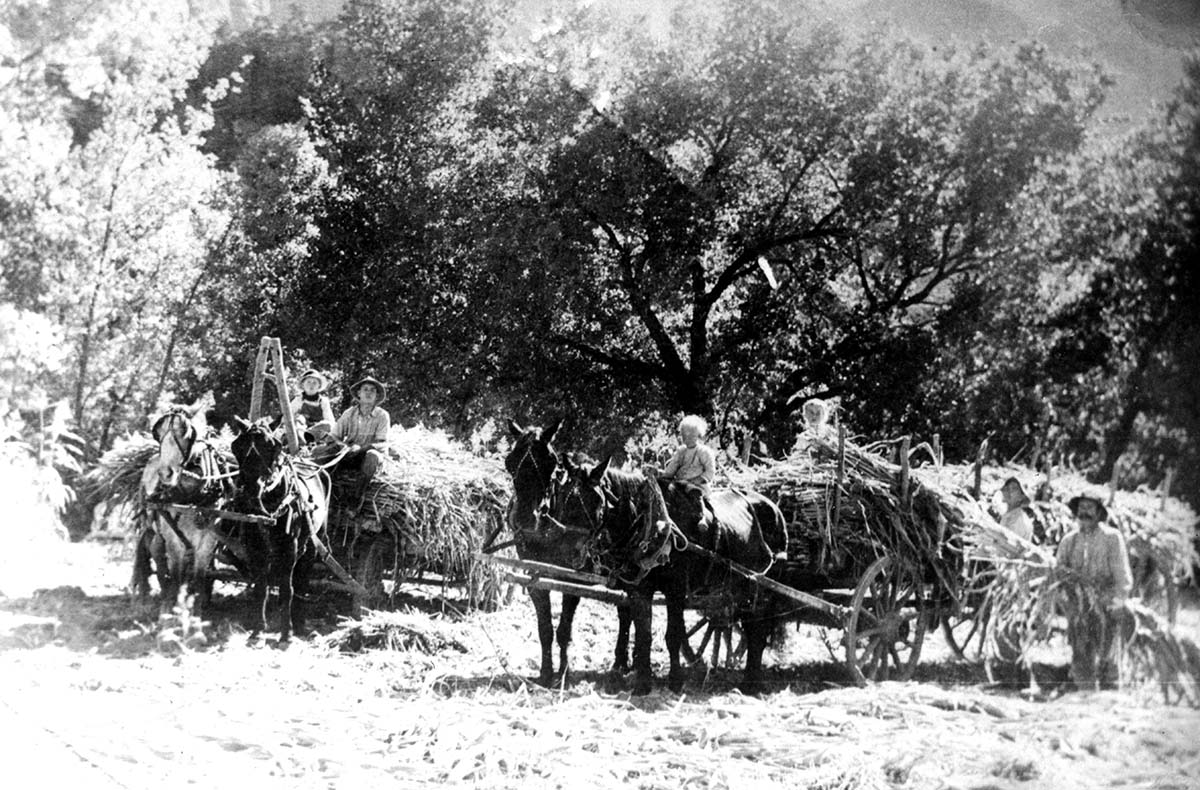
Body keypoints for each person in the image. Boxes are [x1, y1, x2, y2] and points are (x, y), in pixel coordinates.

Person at [1054, 494, 1134, 691]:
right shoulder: (1069, 541)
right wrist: (1066, 601)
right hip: (1079, 606)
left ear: (1099, 513)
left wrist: (1118, 601)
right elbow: (1057, 574)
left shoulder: (1112, 538)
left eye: (1090, 508)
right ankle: (1084, 690)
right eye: (1082, 508)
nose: (1085, 512)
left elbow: (1122, 575)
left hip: (1105, 602)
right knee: (1081, 651)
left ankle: (1110, 690)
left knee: (1108, 652)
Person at [317, 375, 391, 510]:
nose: (368, 393)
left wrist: (360, 449)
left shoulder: (382, 415)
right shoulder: (349, 413)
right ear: (359, 393)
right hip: (349, 454)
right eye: (365, 389)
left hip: (369, 457)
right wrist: (343, 446)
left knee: (372, 455)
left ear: (376, 396)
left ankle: (356, 498)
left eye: (372, 390)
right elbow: (333, 436)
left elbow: (381, 443)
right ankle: (323, 491)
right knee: (320, 451)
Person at [651, 415, 716, 495]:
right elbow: (672, 468)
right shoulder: (681, 451)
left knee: (694, 494)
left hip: (698, 486)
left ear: (698, 435)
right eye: (685, 436)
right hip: (680, 485)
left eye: (691, 436)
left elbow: (710, 472)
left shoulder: (704, 452)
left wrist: (694, 481)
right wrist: (663, 477)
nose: (687, 438)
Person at [289, 369, 335, 443]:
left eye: (314, 382)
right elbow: (289, 415)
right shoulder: (299, 399)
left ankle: (307, 437)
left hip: (316, 431)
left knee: (327, 424)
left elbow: (330, 420)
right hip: (301, 428)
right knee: (299, 418)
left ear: (319, 386)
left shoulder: (323, 401)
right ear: (303, 385)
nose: (311, 385)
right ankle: (300, 438)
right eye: (308, 382)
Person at [998, 477, 1035, 542]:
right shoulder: (1009, 514)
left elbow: (1007, 546)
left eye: (1014, 489)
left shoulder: (1019, 520)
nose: (1008, 491)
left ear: (1021, 497)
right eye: (1007, 487)